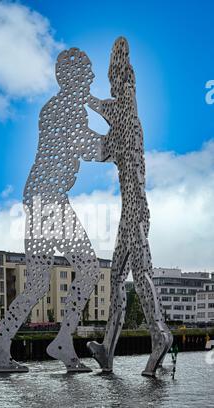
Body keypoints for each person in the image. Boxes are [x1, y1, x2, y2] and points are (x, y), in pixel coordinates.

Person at [0, 48, 103, 373]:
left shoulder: (56, 107)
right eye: (87, 74)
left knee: (37, 285)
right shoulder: (65, 109)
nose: (92, 79)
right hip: (50, 201)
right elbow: (86, 146)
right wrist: (120, 143)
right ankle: (63, 340)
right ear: (72, 78)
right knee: (90, 268)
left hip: (39, 200)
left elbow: (81, 145)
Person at [86, 37, 173, 376]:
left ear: (122, 83)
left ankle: (160, 334)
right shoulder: (133, 123)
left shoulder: (123, 114)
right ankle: (108, 349)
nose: (113, 87)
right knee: (117, 275)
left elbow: (98, 141)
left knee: (141, 273)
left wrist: (81, 99)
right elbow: (105, 149)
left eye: (115, 81)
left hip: (134, 210)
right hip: (133, 211)